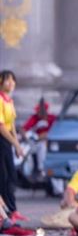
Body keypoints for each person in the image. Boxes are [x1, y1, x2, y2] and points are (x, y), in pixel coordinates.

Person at [0, 70, 26, 222]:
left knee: (11, 176)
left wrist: (17, 145)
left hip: (7, 140)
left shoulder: (9, 100)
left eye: (12, 80)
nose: (11, 83)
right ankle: (8, 211)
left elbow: (12, 124)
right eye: (7, 80)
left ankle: (12, 209)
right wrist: (14, 143)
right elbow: (1, 126)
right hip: (1, 139)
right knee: (4, 177)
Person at [21, 98, 57, 179]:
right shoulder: (34, 118)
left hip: (50, 143)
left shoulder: (52, 118)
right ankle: (36, 170)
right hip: (36, 143)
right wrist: (25, 136)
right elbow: (24, 129)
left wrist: (46, 135)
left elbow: (57, 130)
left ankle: (42, 169)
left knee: (43, 147)